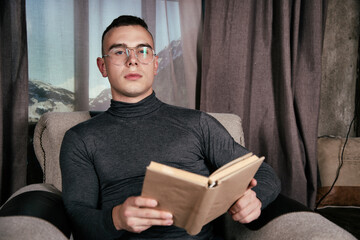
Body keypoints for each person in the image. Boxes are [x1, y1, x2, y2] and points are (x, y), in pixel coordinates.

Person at [60, 15, 281, 240]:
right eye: (119, 52)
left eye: (142, 51)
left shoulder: (197, 123)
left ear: (155, 64)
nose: (132, 60)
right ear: (102, 66)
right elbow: (77, 216)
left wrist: (255, 198)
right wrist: (116, 218)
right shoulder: (80, 138)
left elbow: (263, 172)